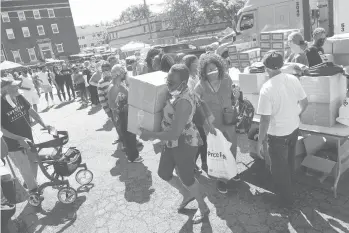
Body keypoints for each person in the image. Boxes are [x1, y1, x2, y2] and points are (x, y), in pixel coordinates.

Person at [140, 64, 210, 224]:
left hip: (185, 142)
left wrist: (149, 134)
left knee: (187, 178)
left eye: (171, 83)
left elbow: (174, 133)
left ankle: (203, 206)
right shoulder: (175, 94)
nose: (167, 85)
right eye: (167, 80)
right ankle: (188, 194)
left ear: (183, 84)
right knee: (164, 172)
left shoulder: (184, 101)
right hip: (171, 142)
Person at [256, 50, 308, 208]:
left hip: (278, 135)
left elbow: (264, 120)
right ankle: (290, 189)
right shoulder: (293, 79)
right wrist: (296, 115)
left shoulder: (267, 88)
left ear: (267, 68)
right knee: (289, 162)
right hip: (293, 129)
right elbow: (304, 103)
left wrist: (259, 142)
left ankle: (286, 202)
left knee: (279, 169)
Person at [194, 53, 240, 194]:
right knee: (219, 151)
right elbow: (196, 106)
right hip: (212, 125)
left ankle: (232, 170)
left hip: (228, 119)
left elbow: (233, 98)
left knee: (232, 147)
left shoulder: (226, 78)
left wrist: (236, 96)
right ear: (204, 71)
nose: (212, 71)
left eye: (215, 68)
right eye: (209, 70)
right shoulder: (200, 86)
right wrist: (206, 124)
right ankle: (221, 180)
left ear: (219, 67)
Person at [1, 77, 55, 196]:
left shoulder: (19, 96)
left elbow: (31, 111)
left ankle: (30, 183)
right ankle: (34, 192)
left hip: (28, 139)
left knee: (34, 161)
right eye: (14, 86)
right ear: (5, 89)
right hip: (13, 145)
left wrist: (44, 124)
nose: (17, 87)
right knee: (25, 169)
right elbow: (1, 129)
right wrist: (19, 138)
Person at [108, 65, 143, 163]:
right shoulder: (115, 87)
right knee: (129, 136)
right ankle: (133, 157)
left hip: (125, 115)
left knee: (129, 136)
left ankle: (130, 153)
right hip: (123, 116)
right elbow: (116, 106)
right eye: (123, 73)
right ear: (119, 74)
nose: (125, 74)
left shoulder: (119, 84)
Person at [182, 54, 207, 173]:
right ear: (191, 64)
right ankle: (191, 164)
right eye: (196, 62)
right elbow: (192, 97)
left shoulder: (196, 75)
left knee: (202, 140)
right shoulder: (188, 80)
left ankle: (203, 163)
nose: (198, 64)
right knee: (199, 141)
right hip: (194, 114)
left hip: (200, 111)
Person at [98, 62, 123, 145]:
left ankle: (128, 140)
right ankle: (121, 139)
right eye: (103, 70)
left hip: (122, 106)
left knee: (124, 124)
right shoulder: (100, 83)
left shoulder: (116, 78)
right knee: (117, 124)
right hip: (112, 108)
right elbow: (102, 98)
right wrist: (107, 111)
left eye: (107, 69)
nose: (105, 71)